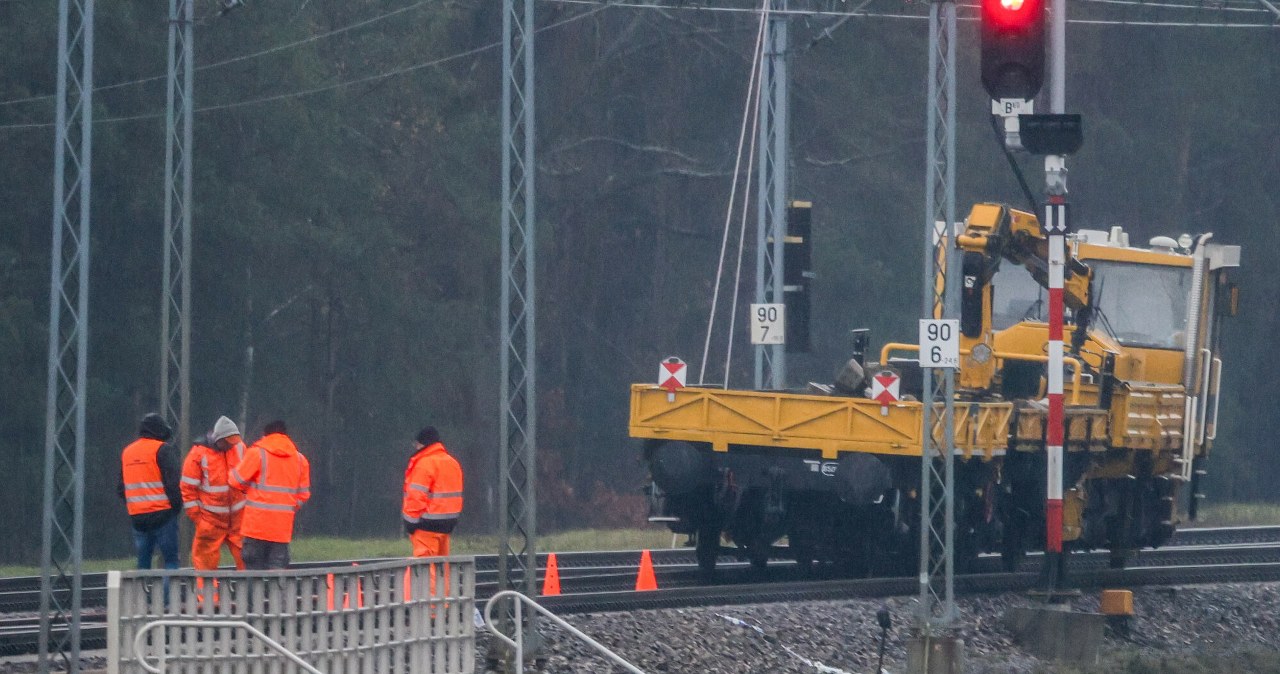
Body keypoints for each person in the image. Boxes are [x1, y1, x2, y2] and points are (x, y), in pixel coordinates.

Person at [229, 420, 310, 570]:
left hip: (255, 527)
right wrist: (287, 509)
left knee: (254, 575)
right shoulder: (300, 460)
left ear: (265, 435)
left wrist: (247, 489)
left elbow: (235, 480)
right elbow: (303, 495)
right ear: (286, 436)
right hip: (281, 530)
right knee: (277, 578)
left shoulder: (257, 453)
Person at [181, 416, 247, 570]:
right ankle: (208, 595)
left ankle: (250, 594)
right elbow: (187, 490)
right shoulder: (197, 455)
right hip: (210, 522)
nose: (232, 445)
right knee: (205, 568)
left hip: (239, 520)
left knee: (248, 563)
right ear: (219, 439)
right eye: (229, 442)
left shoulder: (239, 447)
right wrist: (199, 520)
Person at [118, 413, 183, 570]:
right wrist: (176, 508)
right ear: (159, 431)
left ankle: (142, 594)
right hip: (163, 515)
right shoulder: (162, 449)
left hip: (138, 518)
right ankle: (168, 595)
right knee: (171, 561)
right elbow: (173, 483)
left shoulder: (127, 452)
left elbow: (121, 488)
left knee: (143, 563)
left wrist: (134, 506)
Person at [402, 426, 463, 557]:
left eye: (416, 444)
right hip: (447, 526)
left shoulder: (424, 464)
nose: (415, 447)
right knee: (442, 570)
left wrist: (410, 524)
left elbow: (416, 497)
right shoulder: (452, 463)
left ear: (422, 443)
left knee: (423, 572)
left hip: (426, 527)